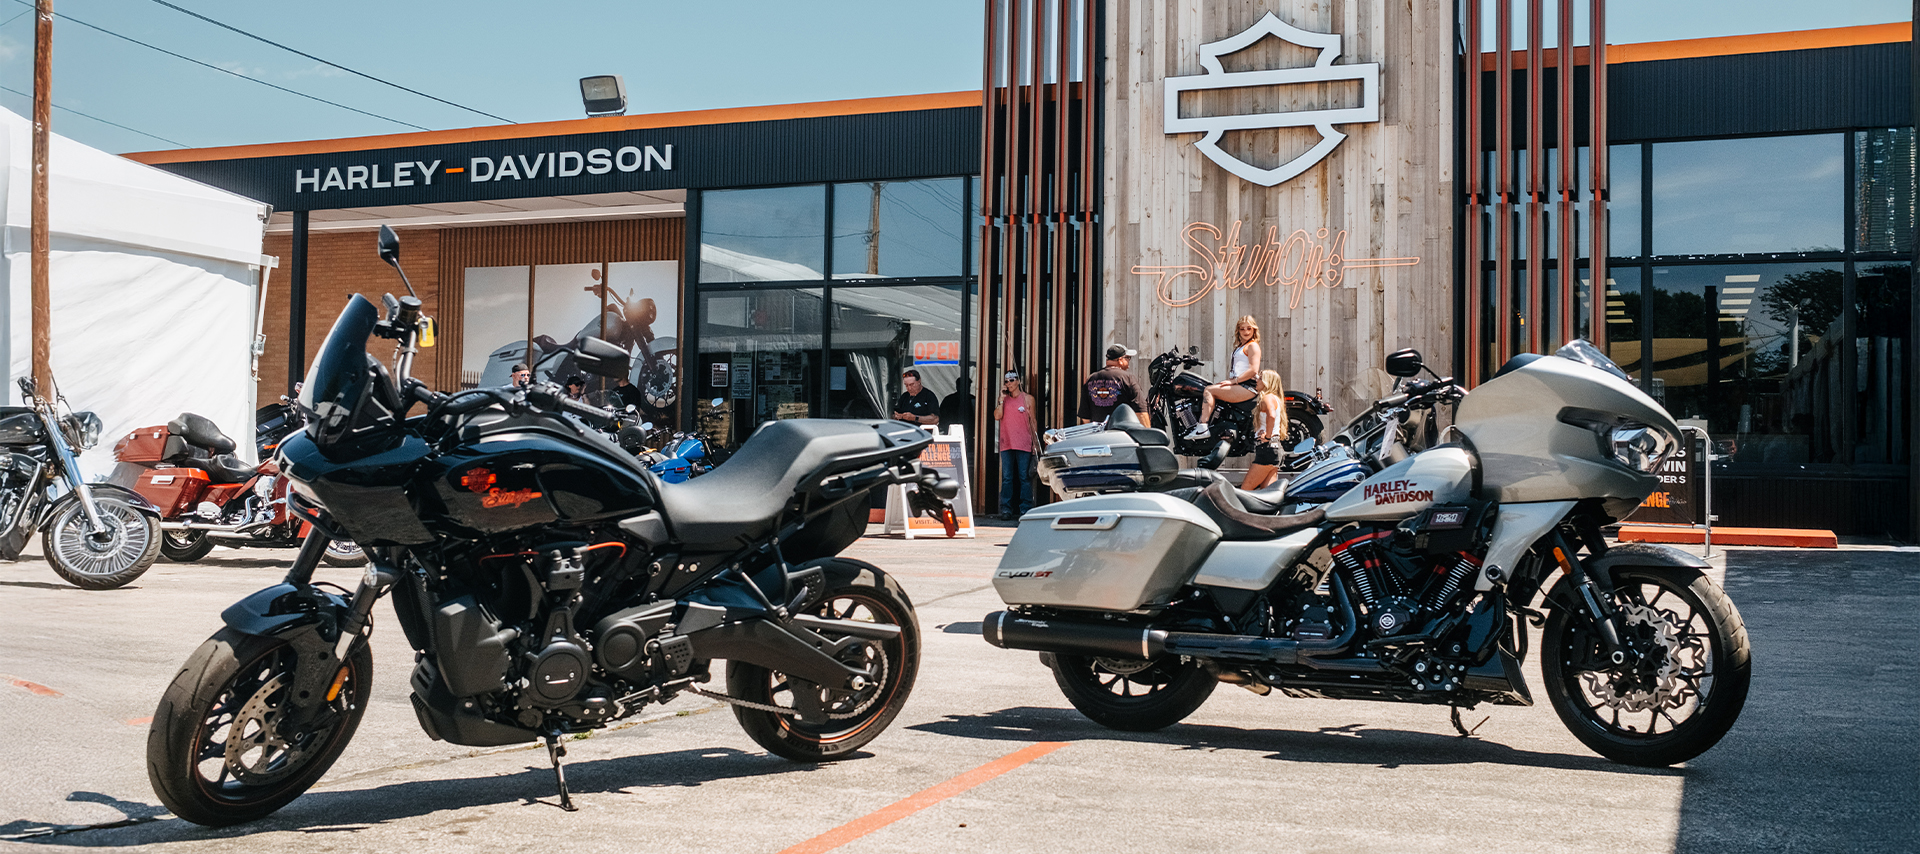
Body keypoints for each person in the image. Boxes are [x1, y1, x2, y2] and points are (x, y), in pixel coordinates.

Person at [1186, 315, 1262, 439]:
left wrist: (1233, 381)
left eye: (1249, 328)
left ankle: (1202, 427)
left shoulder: (1252, 346)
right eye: (1242, 329)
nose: (1246, 332)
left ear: (1254, 329)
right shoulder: (1241, 347)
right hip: (1240, 384)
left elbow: (1253, 370)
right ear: (1238, 330)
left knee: (1209, 390)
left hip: (1247, 387)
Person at [992, 370, 1039, 519]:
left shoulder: (1028, 399)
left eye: (1012, 380)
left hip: (1023, 442)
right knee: (1007, 477)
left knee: (1024, 477)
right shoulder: (1004, 400)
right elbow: (997, 416)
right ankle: (1006, 508)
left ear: (1018, 381)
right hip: (1007, 443)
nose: (1009, 383)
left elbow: (1033, 422)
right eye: (1006, 381)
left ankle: (1025, 508)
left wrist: (1035, 443)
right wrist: (1000, 399)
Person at [1241, 369, 1290, 491]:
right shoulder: (1276, 398)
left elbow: (1271, 416)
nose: (1256, 380)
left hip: (1267, 448)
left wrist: (1267, 436)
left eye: (1260, 378)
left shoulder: (1267, 398)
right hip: (1275, 449)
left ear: (1268, 382)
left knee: (1245, 490)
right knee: (1267, 495)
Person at [1078, 344, 1149, 425]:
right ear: (1120, 360)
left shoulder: (1090, 379)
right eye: (1128, 358)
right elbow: (1141, 412)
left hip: (1099, 434)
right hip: (1121, 434)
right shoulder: (1128, 378)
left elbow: (1085, 417)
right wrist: (1147, 435)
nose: (1129, 361)